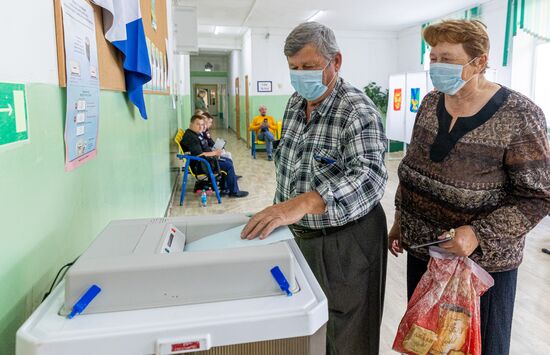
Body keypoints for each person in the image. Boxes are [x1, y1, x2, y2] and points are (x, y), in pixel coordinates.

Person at [388, 19, 550, 355]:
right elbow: (414, 169)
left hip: (481, 268)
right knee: (426, 343)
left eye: (446, 58)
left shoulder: (520, 115)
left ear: (479, 62)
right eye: (432, 58)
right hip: (425, 253)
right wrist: (401, 219)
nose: (436, 66)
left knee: (476, 347)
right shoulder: (431, 103)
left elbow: (537, 197)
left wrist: (477, 233)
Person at [241, 22, 388, 355]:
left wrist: (307, 202)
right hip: (302, 236)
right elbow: (291, 166)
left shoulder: (358, 110)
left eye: (309, 67)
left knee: (348, 333)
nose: (300, 75)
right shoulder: (296, 103)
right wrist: (279, 216)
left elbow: (370, 177)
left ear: (335, 62)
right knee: (311, 327)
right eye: (294, 68)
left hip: (348, 240)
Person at [179, 115, 248, 198]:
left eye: (202, 124)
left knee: (228, 161)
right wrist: (214, 153)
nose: (201, 127)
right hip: (201, 165)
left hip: (204, 161)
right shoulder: (192, 137)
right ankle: (234, 192)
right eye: (198, 124)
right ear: (191, 124)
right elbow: (199, 155)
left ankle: (224, 188)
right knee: (228, 165)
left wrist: (214, 153)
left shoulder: (193, 133)